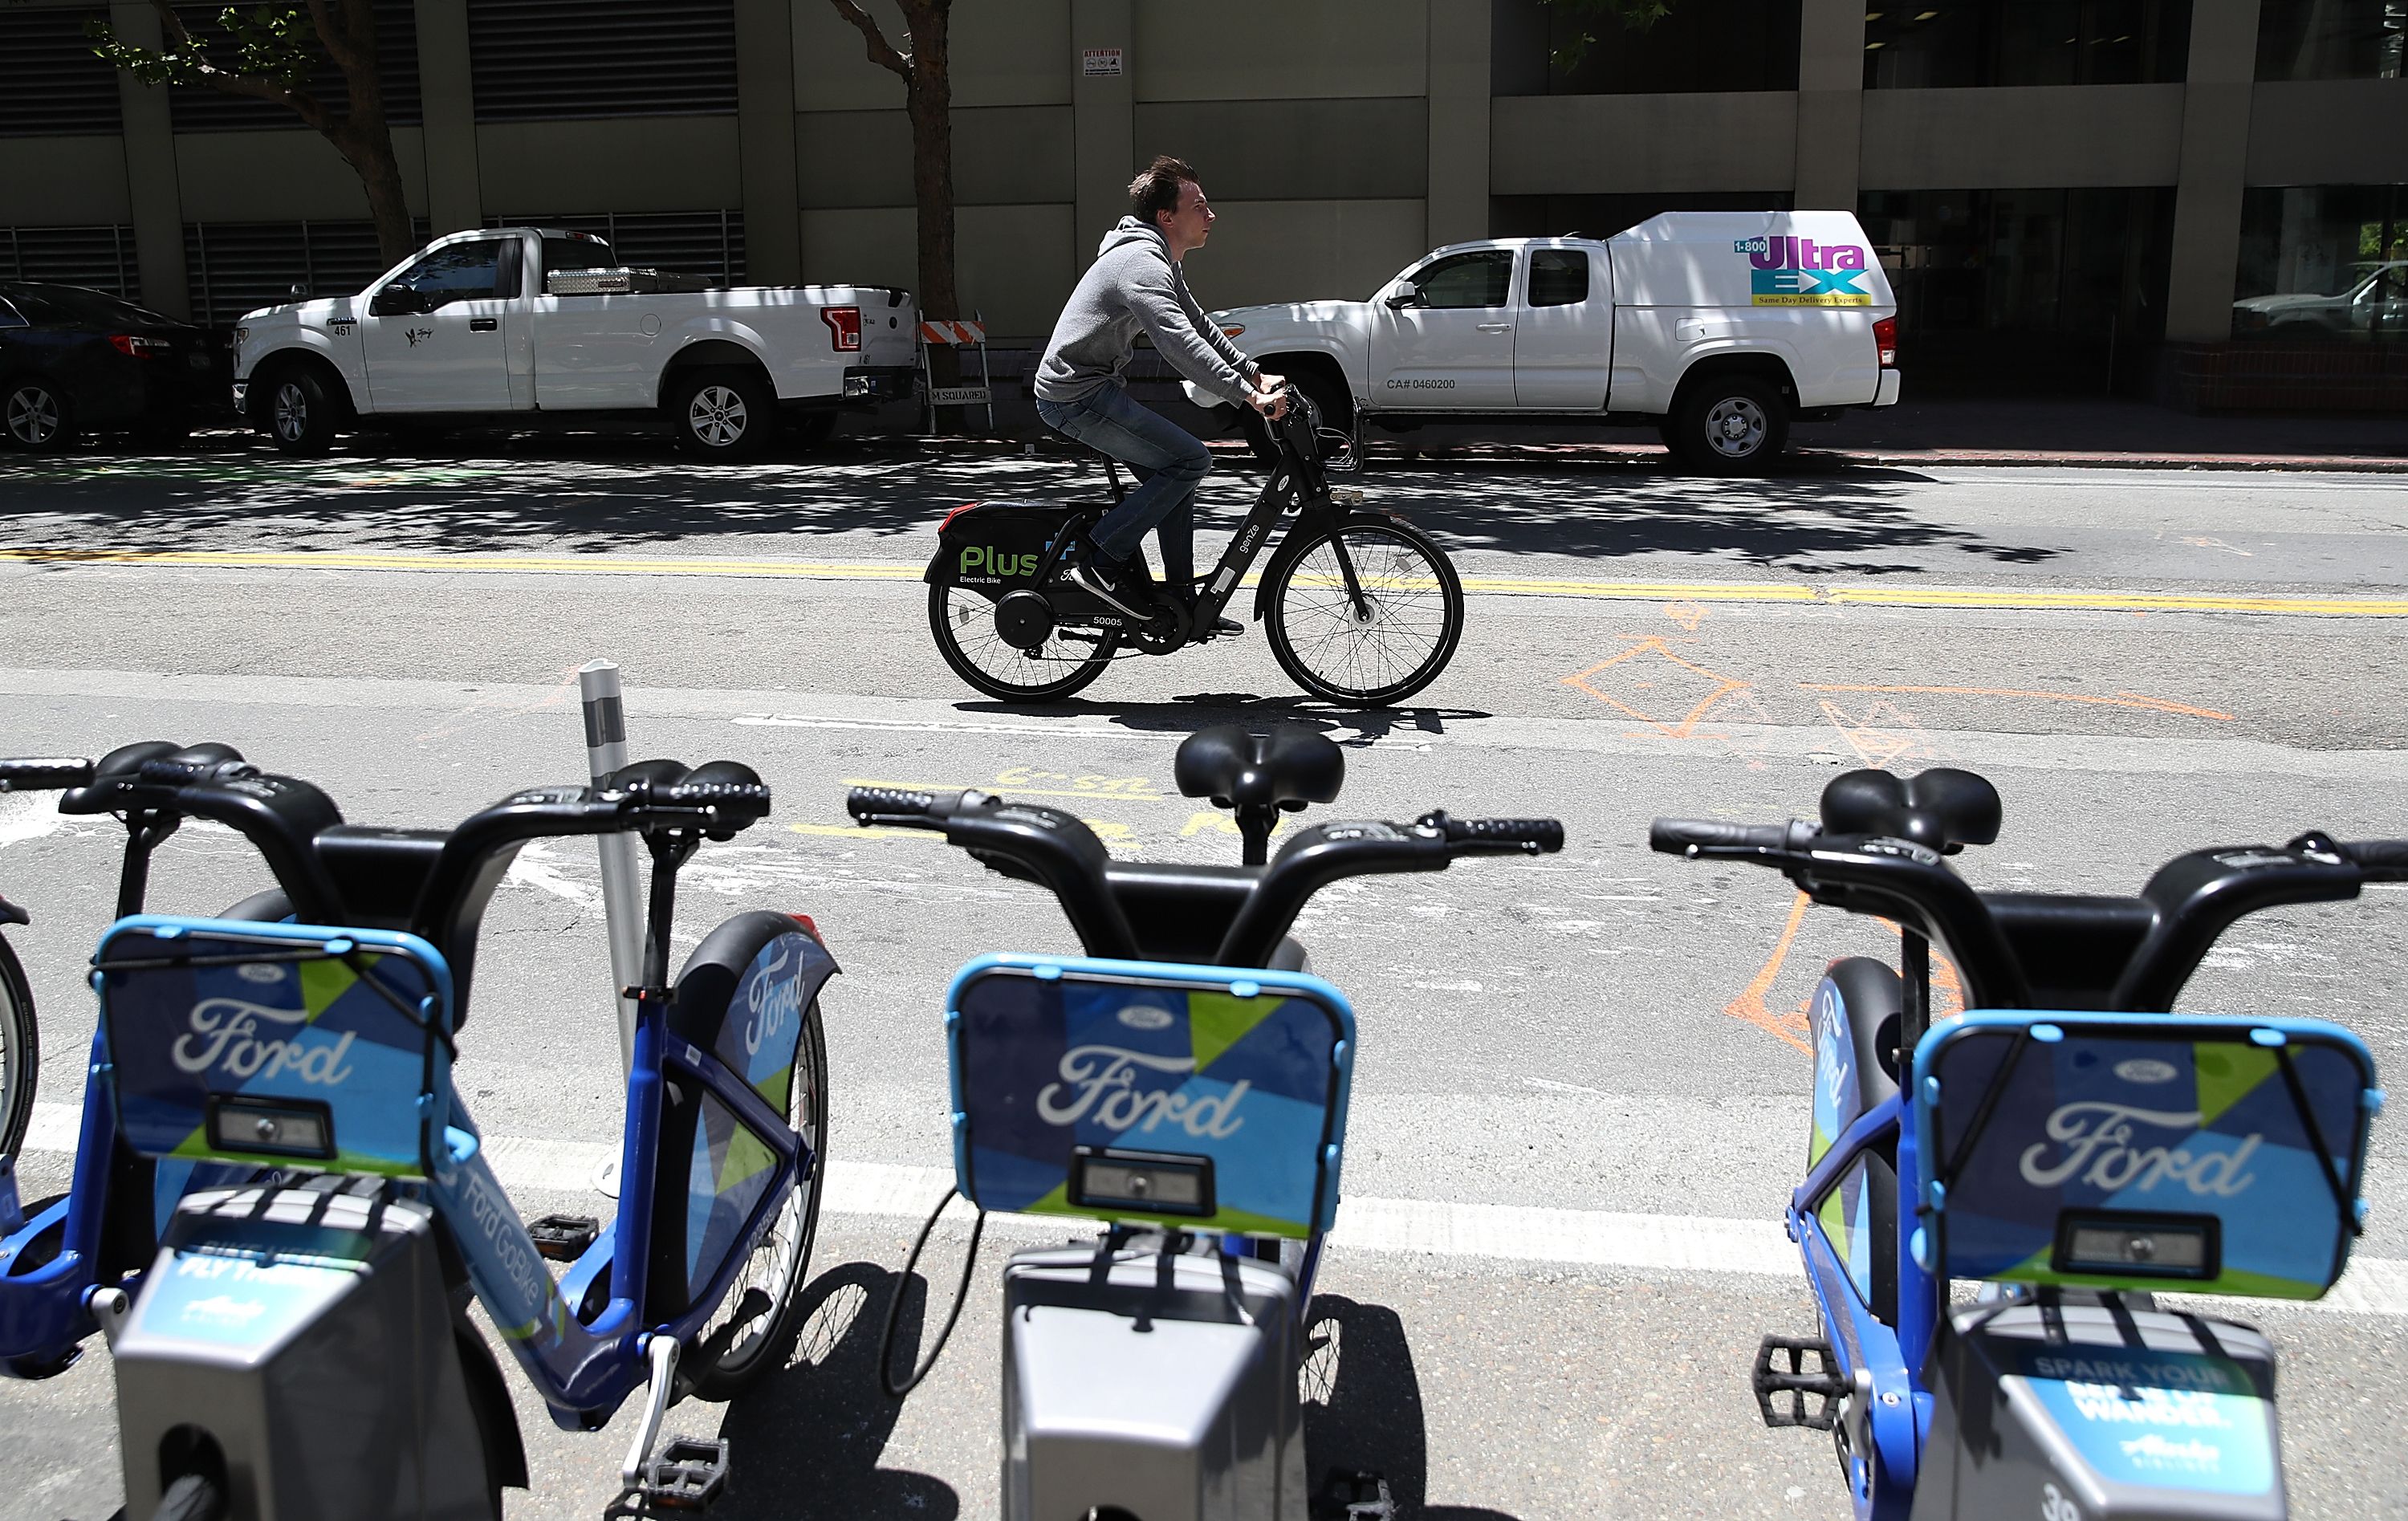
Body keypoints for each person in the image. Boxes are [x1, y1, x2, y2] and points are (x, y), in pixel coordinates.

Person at [1033, 156, 1289, 628]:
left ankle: (1181, 602)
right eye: (1200, 206)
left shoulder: (1160, 259)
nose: (1211, 215)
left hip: (1093, 388)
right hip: (1074, 396)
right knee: (1190, 460)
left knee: (1176, 471)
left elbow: (1199, 324)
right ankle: (1098, 563)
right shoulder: (1141, 264)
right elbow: (1178, 341)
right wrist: (1246, 395)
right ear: (1167, 217)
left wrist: (1253, 374)